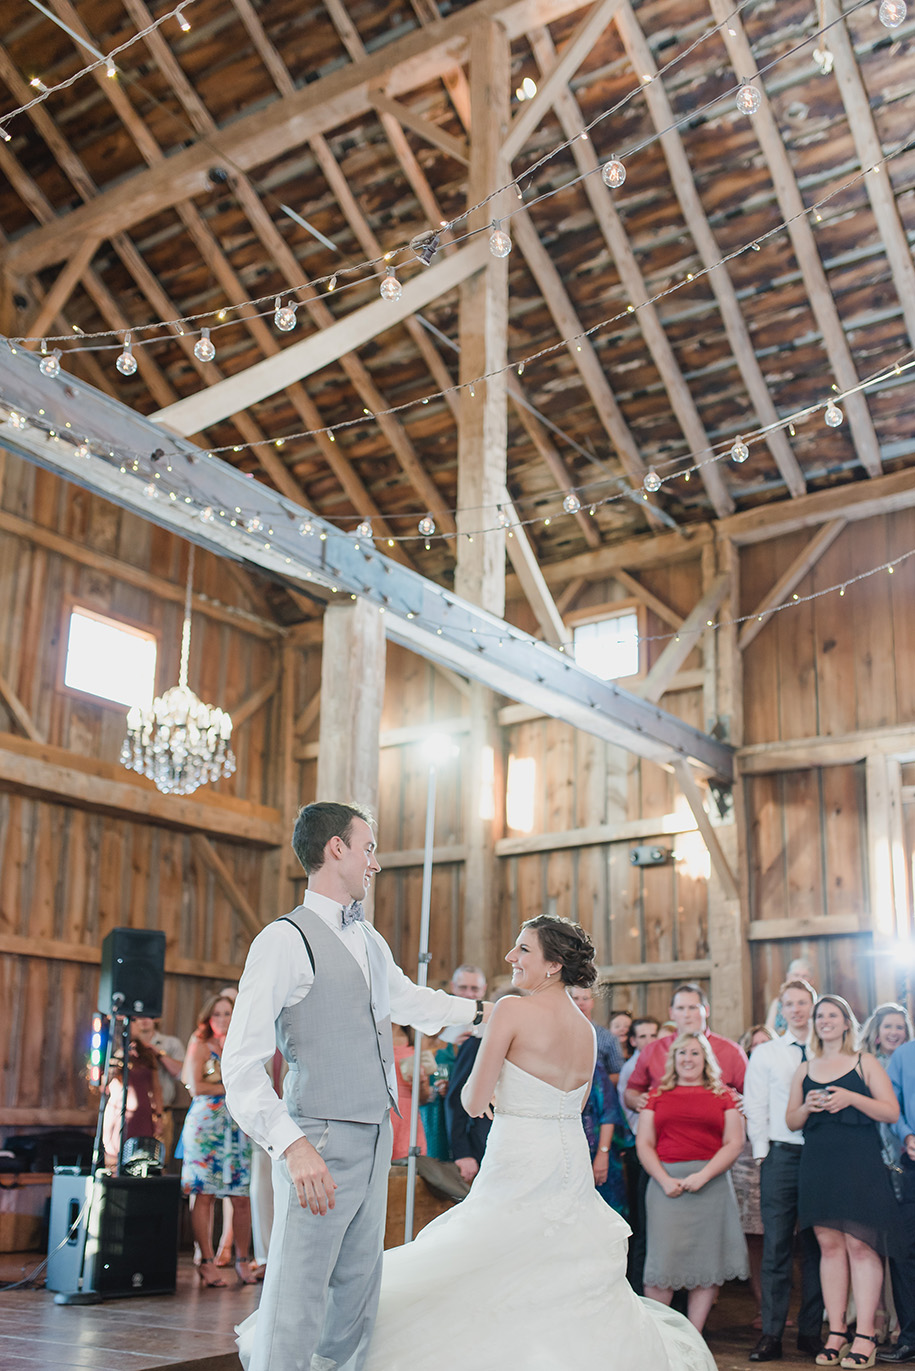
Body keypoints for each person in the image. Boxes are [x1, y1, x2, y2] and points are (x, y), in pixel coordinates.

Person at [352, 917, 717, 1371]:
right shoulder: (586, 1031)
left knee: (493, 1255)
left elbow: (470, 1100)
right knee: (558, 1262)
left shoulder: (510, 1010)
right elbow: (579, 1101)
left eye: (523, 950)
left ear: (553, 965)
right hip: (568, 1159)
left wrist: (495, 1095)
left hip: (519, 1153)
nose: (511, 958)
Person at [225, 801, 492, 1371]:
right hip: (316, 1138)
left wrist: (491, 1014)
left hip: (375, 1135)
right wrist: (291, 1146)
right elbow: (240, 1066)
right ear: (336, 849)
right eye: (368, 848)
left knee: (356, 1291)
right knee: (297, 1292)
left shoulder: (370, 941)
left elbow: (416, 1004)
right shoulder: (282, 940)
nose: (375, 863)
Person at [786, 994, 900, 1370]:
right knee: (829, 1246)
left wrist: (851, 1097)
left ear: (847, 1021)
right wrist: (808, 1106)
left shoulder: (864, 1062)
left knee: (861, 1245)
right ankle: (836, 1332)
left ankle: (865, 1334)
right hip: (819, 1164)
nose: (825, 1021)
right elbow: (791, 1121)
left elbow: (890, 1110)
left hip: (859, 1163)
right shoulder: (805, 1068)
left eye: (832, 1015)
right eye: (820, 1016)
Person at [636, 1030, 748, 1332]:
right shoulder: (657, 1096)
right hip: (664, 1186)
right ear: (673, 1059)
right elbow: (644, 1143)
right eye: (682, 1053)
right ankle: (663, 1335)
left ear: (706, 1059)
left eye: (695, 1053)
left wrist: (703, 1176)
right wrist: (663, 1179)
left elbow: (734, 1142)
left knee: (706, 1263)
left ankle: (693, 1335)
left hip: (710, 1185)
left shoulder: (724, 1096)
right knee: (662, 1262)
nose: (688, 1059)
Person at [744, 977, 824, 1362]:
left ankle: (811, 1332)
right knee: (776, 1247)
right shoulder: (768, 1054)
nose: (796, 1009)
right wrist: (763, 1154)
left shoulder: (831, 1052)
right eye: (788, 1004)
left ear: (813, 1005)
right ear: (781, 1009)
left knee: (816, 1247)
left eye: (802, 1002)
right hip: (781, 1156)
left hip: (825, 1157)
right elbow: (756, 1106)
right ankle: (771, 1335)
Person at [181, 992, 254, 1287]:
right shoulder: (200, 1044)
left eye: (228, 1013)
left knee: (241, 1196)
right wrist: (230, 1087)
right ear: (208, 1019)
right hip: (206, 1126)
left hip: (237, 1125)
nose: (223, 1019)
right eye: (218, 1014)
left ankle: (242, 1260)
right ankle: (207, 1261)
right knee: (204, 1193)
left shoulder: (243, 1046)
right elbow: (195, 1085)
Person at [624, 983, 747, 1115]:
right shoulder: (653, 1050)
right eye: (680, 1008)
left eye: (693, 1008)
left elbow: (752, 1094)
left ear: (706, 1010)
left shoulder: (732, 1051)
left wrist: (746, 1103)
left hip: (718, 1130)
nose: (686, 1014)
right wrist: (637, 1100)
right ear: (671, 1013)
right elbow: (631, 1092)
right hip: (665, 1128)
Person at [732, 1023, 776, 1339]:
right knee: (755, 1241)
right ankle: (763, 1306)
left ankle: (783, 1306)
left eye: (766, 1044)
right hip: (746, 1166)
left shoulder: (787, 1081)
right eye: (754, 1045)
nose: (759, 1049)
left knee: (784, 1239)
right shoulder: (739, 1090)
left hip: (781, 1161)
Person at [421, 964, 488, 1162]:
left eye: (474, 989)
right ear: (453, 987)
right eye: (463, 987)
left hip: (471, 1119)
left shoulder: (489, 1028)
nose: (468, 994)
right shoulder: (433, 1028)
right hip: (435, 1113)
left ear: (483, 990)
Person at [880, 1026, 915, 1363]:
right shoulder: (904, 1055)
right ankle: (910, 1337)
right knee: (905, 1253)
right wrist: (907, 1136)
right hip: (912, 1162)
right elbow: (891, 1106)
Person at [101, 1019, 164, 1167]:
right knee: (116, 1157)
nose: (135, 1024)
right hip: (120, 1113)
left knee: (142, 1158)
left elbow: (156, 1088)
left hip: (143, 1115)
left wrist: (159, 1116)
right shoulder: (114, 1053)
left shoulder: (147, 1054)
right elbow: (104, 1087)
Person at [390, 1025, 433, 1160]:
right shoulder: (373, 1033)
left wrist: (420, 1082)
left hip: (407, 1115)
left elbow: (424, 1097)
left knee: (406, 1172)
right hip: (380, 1112)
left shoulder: (417, 1040)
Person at [569, 982, 623, 1082]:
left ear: (592, 1002)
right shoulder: (559, 1033)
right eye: (576, 998)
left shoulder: (608, 1037)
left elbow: (618, 1073)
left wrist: (596, 1084)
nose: (580, 1003)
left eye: (585, 998)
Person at [766, 959, 816, 1034]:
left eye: (805, 976)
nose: (800, 979)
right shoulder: (777, 1002)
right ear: (788, 976)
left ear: (811, 980)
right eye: (796, 975)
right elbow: (768, 1030)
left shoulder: (818, 1001)